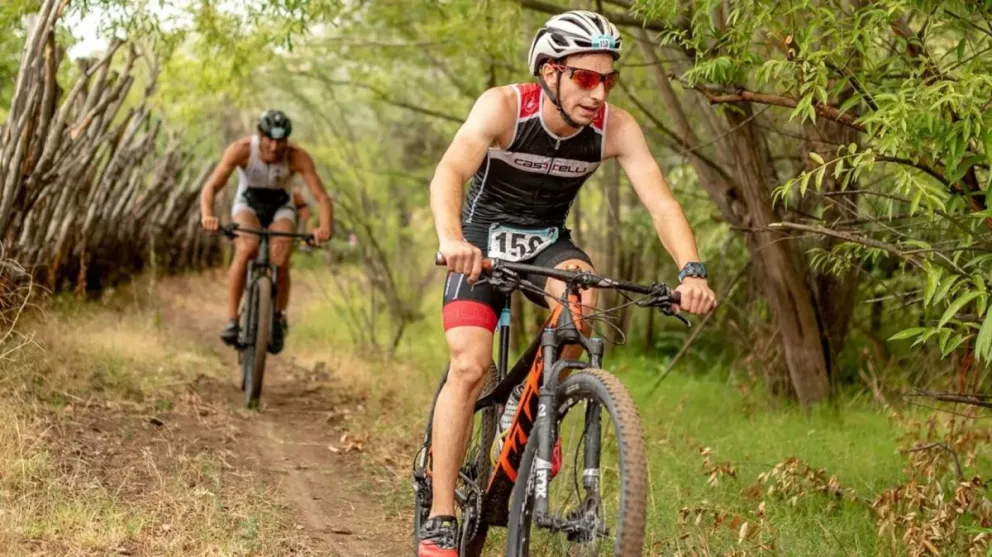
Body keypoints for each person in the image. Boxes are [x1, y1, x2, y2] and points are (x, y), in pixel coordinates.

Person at [419, 10, 717, 555]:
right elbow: (450, 171)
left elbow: (661, 202)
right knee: (469, 365)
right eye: (584, 77)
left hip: (548, 240)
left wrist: (691, 270)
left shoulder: (615, 128)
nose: (598, 92)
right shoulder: (504, 107)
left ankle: (536, 407)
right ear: (550, 72)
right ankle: (440, 516)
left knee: (582, 302)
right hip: (481, 240)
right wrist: (451, 238)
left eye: (608, 80)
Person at [200, 109, 333, 354]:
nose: (274, 147)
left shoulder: (297, 156)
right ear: (259, 135)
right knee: (246, 248)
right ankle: (232, 320)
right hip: (247, 204)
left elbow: (322, 197)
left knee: (280, 259)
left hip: (281, 207)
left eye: (281, 141)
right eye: (269, 139)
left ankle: (278, 316)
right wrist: (207, 215)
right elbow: (211, 187)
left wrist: (324, 227)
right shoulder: (241, 150)